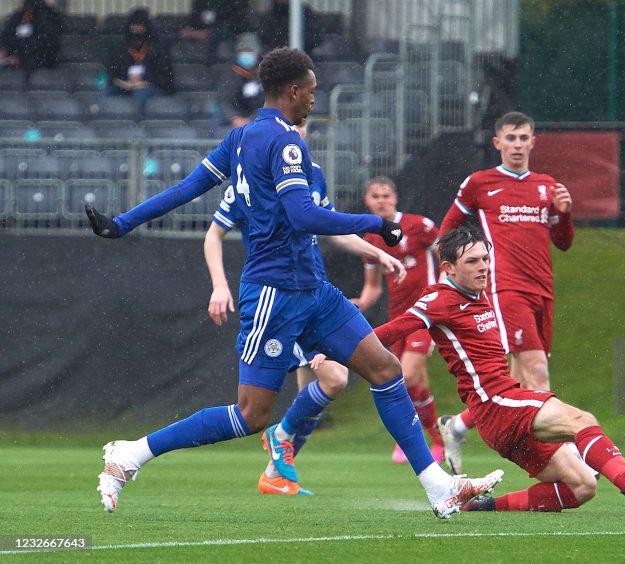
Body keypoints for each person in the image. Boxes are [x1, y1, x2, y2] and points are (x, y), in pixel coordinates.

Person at [87, 47, 502, 519]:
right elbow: (302, 215)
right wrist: (376, 222)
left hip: (314, 290)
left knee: (385, 369)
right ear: (293, 91)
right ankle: (131, 454)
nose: (313, 100)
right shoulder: (284, 143)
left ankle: (437, 487)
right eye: (311, 92)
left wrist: (124, 222)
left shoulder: (241, 138)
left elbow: (187, 188)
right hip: (274, 292)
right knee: (251, 415)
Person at [375, 227, 625, 514]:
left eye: (485, 258)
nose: (483, 266)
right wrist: (338, 346)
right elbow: (393, 330)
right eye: (472, 261)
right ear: (449, 268)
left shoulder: (477, 292)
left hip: (500, 416)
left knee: (583, 486)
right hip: (496, 403)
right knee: (581, 420)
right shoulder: (439, 299)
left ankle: (482, 506)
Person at [204, 120, 407, 495]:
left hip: (310, 289)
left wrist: (377, 251)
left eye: (301, 123)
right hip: (282, 294)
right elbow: (214, 232)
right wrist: (219, 284)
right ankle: (278, 439)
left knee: (313, 392)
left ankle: (275, 474)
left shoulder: (312, 174)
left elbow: (331, 229)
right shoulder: (252, 172)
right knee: (332, 381)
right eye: (290, 122)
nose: (295, 129)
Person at [435, 111, 574, 473]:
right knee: (538, 372)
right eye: (509, 138)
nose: (516, 144)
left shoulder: (546, 185)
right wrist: (451, 275)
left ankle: (457, 426)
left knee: (512, 384)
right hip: (505, 288)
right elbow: (449, 230)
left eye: (523, 137)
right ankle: (567, 459)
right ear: (497, 143)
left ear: (533, 142)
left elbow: (563, 243)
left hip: (543, 290)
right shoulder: (480, 183)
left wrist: (565, 213)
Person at [352, 177, 445, 465]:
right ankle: (440, 440)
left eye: (386, 195)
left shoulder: (420, 225)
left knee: (405, 375)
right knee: (415, 384)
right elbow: (373, 286)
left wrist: (444, 291)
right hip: (399, 318)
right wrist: (360, 304)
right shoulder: (371, 239)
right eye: (375, 196)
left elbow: (447, 259)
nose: (381, 200)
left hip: (426, 314)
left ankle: (406, 439)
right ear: (367, 201)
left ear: (395, 197)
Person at [100, 8, 176, 113]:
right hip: (127, 85)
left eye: (140, 26)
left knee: (140, 93)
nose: (136, 29)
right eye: (133, 26)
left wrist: (145, 80)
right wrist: (126, 80)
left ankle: (138, 122)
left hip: (152, 86)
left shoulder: (158, 48)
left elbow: (166, 76)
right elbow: (114, 71)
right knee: (105, 92)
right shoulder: (123, 48)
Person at [213, 33, 264, 130]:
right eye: (243, 51)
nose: (246, 54)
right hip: (231, 119)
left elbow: (268, 102)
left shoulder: (265, 73)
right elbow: (223, 100)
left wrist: (253, 119)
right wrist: (234, 118)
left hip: (257, 118)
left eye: (250, 51)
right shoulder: (229, 72)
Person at [0, 0, 62, 78]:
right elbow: (6, 36)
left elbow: (46, 44)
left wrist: (19, 58)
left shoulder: (48, 16)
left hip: (39, 62)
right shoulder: (17, 17)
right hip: (17, 60)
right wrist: (5, 50)